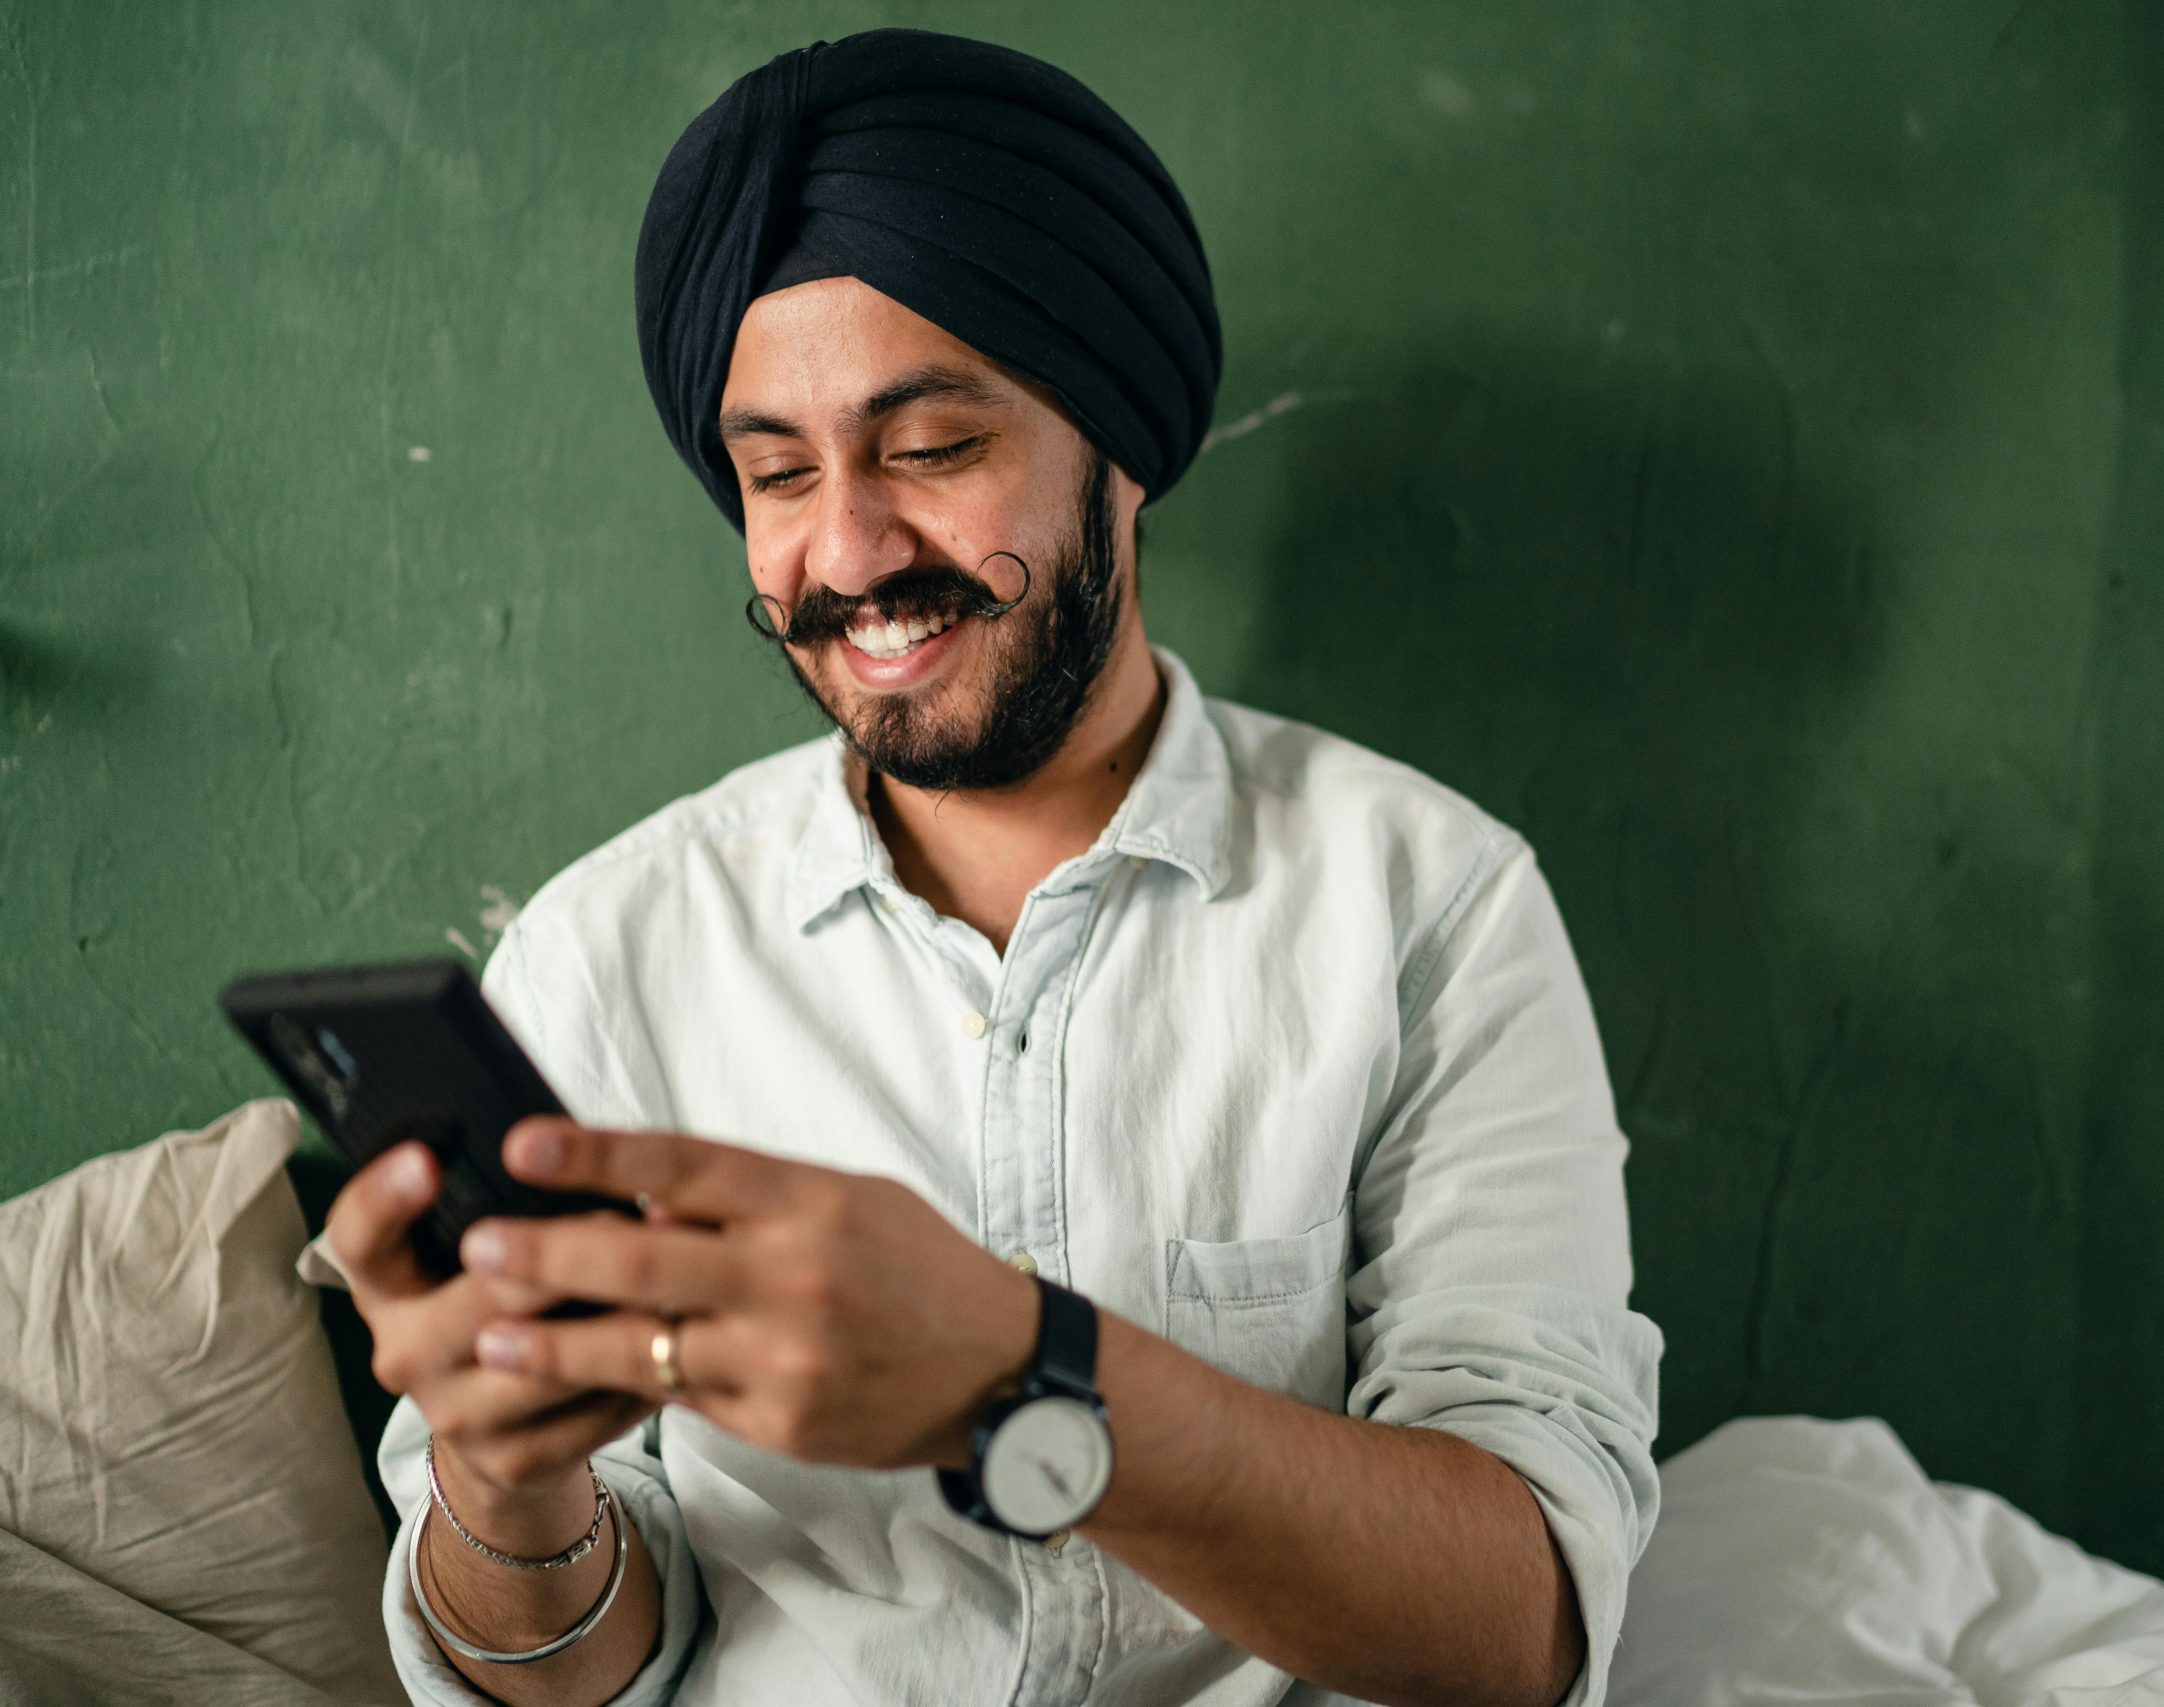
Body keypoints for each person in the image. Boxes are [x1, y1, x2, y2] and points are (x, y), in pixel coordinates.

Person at [325, 27, 1659, 1707]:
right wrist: (505, 1482)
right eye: (777, 474)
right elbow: (563, 1677)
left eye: (932, 447)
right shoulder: (606, 957)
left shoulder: (1431, 908)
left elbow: (1523, 1630)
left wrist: (1018, 1378)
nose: (848, 551)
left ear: (1121, 443)